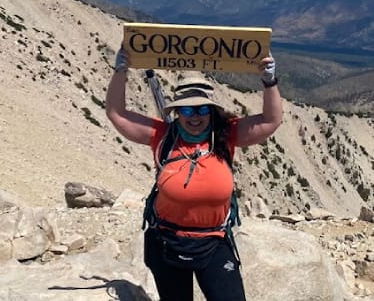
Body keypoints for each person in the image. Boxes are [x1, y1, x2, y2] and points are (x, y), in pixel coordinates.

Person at [105, 46, 283, 301]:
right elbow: (116, 113)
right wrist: (120, 72)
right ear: (177, 112)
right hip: (167, 241)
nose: (195, 116)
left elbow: (270, 120)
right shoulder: (163, 136)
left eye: (201, 109)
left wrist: (270, 82)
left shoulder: (225, 136)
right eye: (187, 110)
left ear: (211, 111)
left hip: (215, 241)